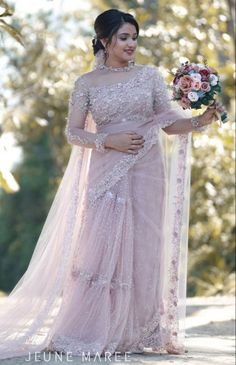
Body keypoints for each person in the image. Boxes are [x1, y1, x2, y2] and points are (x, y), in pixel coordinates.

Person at [0, 8, 225, 360]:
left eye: (134, 37)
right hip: (106, 170)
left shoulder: (150, 76)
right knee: (101, 249)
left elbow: (167, 122)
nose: (131, 44)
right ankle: (93, 328)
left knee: (144, 247)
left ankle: (137, 331)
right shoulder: (86, 85)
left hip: (148, 170)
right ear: (104, 40)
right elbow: (73, 132)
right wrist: (109, 141)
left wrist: (201, 121)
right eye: (124, 37)